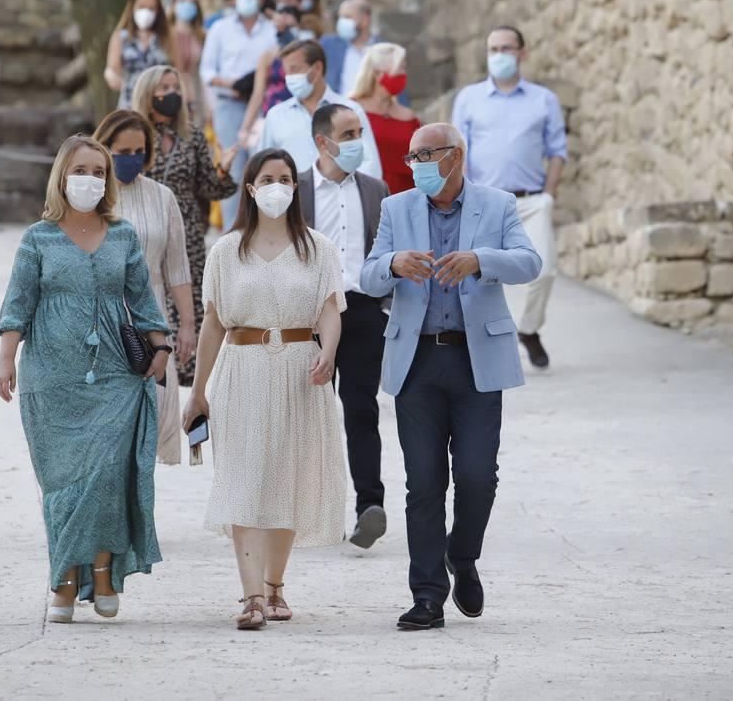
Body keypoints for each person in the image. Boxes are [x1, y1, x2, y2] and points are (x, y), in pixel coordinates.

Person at [359, 123, 541, 631]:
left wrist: (481, 260)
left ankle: (462, 558)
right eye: (411, 155)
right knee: (424, 484)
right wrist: (394, 263)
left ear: (454, 157)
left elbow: (530, 263)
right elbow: (367, 275)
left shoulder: (498, 204)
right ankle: (427, 595)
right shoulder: (396, 208)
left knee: (478, 477)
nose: (414, 162)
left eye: (425, 154)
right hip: (416, 362)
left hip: (477, 361)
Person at [0, 134, 172, 624]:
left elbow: (142, 299)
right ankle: (64, 579)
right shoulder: (38, 238)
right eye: (81, 170)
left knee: (107, 476)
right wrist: (5, 360)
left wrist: (161, 347)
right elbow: (17, 304)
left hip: (115, 373)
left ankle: (100, 571)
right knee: (62, 481)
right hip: (50, 376)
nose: (90, 179)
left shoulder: (123, 234)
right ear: (61, 176)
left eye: (99, 171)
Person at [183, 148, 348, 630]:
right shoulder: (225, 252)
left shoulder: (318, 248)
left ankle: (276, 586)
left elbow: (330, 309)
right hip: (244, 370)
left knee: (288, 477)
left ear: (295, 188)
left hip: (301, 371)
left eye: (285, 178)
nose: (277, 185)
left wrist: (329, 351)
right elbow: (213, 324)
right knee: (245, 478)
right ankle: (251, 595)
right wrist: (199, 391)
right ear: (250, 188)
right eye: (267, 178)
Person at [297, 103, 391, 548]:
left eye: (359, 131)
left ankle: (369, 505)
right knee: (306, 413)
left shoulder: (376, 190)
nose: (357, 140)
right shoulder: (295, 190)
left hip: (364, 309)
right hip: (307, 316)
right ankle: (306, 509)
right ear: (323, 141)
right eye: (348, 133)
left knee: (361, 408)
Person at [451, 26, 567, 369]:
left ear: (522, 52)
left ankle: (528, 329)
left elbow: (558, 151)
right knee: (477, 273)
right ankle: (476, 345)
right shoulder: (468, 98)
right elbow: (458, 152)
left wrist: (549, 192)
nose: (499, 55)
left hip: (532, 200)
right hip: (484, 201)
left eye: (506, 48)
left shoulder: (544, 99)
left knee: (544, 271)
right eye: (493, 49)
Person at [93, 110, 195, 466]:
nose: (131, 159)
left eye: (139, 151)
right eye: (122, 151)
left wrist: (187, 325)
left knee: (150, 419)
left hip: (152, 320)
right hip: (101, 317)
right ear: (103, 148)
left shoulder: (163, 197)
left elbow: (177, 269)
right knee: (105, 425)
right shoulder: (91, 197)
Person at [130, 65, 238, 386]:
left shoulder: (191, 135)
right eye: (163, 87)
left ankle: (189, 370)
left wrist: (222, 171)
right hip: (144, 228)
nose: (171, 93)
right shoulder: (133, 134)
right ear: (148, 93)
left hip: (187, 231)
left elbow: (210, 189)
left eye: (175, 86)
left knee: (189, 297)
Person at [200, 0, 279, 230]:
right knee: (233, 167)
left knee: (263, 165)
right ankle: (232, 232)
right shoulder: (220, 29)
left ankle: (263, 228)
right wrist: (231, 85)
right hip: (229, 103)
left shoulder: (271, 30)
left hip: (264, 107)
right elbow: (207, 70)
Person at [255, 39, 383, 179]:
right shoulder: (276, 116)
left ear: (317, 68)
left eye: (294, 69)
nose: (289, 78)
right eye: (286, 72)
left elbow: (370, 165)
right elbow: (262, 166)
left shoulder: (351, 110)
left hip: (341, 197)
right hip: (295, 199)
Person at [349, 42, 422, 195]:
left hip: (408, 195)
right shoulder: (352, 110)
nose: (403, 74)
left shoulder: (408, 116)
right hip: (368, 194)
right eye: (399, 68)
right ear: (377, 74)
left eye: (404, 68)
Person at [320, 0, 410, 106]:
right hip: (339, 117)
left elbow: (398, 92)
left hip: (375, 117)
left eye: (347, 17)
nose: (341, 22)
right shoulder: (329, 45)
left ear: (365, 19)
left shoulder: (386, 51)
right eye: (340, 17)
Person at [237, 5, 302, 147]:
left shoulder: (306, 55)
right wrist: (245, 128)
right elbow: (258, 94)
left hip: (300, 118)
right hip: (272, 119)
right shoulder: (268, 57)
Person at [106, 0, 176, 110]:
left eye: (151, 8)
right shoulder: (121, 37)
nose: (146, 12)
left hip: (162, 102)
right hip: (130, 102)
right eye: (141, 7)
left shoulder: (167, 37)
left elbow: (177, 68)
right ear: (132, 9)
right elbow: (113, 70)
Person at [169, 0, 208, 130]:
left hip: (196, 94)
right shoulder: (165, 36)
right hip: (170, 92)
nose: (187, 5)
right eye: (182, 1)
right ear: (173, 6)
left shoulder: (203, 36)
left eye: (191, 2)